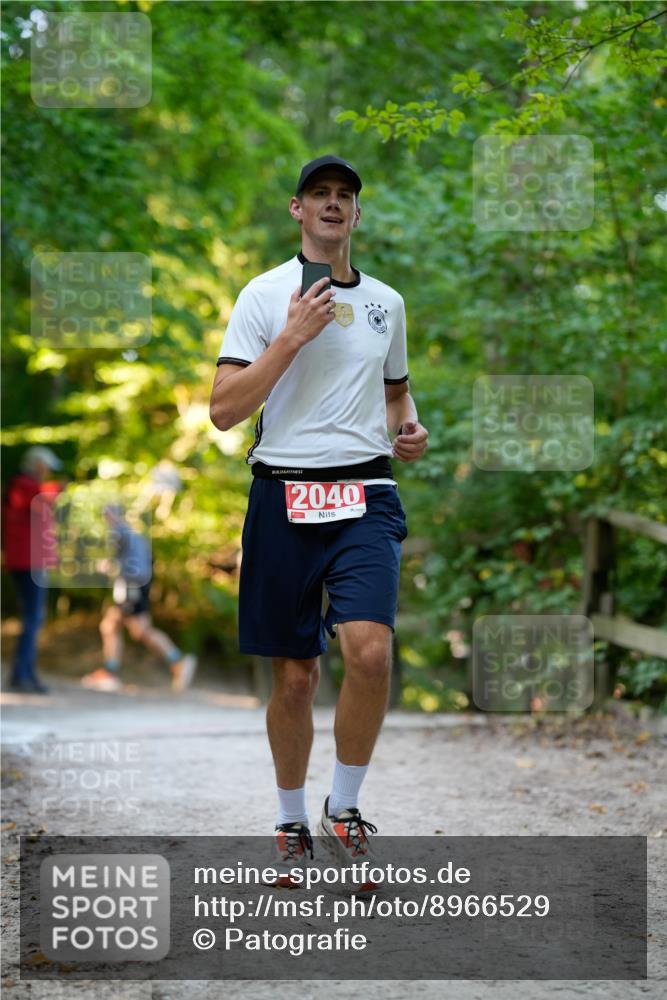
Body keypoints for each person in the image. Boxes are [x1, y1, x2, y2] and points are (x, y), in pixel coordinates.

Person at [209, 155, 428, 888]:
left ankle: (345, 808)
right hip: (283, 495)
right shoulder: (264, 295)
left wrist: (410, 427)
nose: (334, 205)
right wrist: (290, 339)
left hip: (365, 493)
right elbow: (223, 411)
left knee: (369, 653)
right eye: (320, 195)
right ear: (297, 210)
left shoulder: (386, 304)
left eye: (345, 197)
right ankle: (289, 819)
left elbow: (397, 394)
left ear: (356, 216)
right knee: (295, 677)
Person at [81, 505, 198, 693]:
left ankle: (177, 662)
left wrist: (107, 567)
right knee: (113, 626)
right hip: (137, 585)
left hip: (132, 586)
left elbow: (122, 564)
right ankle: (112, 672)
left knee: (137, 630)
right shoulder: (133, 534)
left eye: (108, 514)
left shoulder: (120, 532)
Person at [2, 446, 64, 694]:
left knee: (33, 619)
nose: (47, 472)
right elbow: (39, 503)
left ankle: (23, 673)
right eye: (45, 467)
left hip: (29, 561)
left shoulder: (24, 486)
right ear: (37, 464)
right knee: (33, 619)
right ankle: (23, 675)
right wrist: (57, 489)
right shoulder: (23, 485)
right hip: (28, 562)